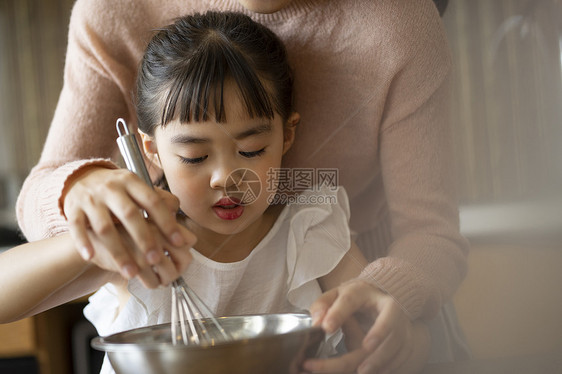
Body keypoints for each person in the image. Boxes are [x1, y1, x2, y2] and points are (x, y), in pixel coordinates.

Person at [16, 0, 471, 372]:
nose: (225, 177)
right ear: (150, 150)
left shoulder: (310, 229)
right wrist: (88, 215)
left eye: (251, 150)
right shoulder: (142, 244)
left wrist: (403, 333)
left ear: (286, 135)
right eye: (194, 156)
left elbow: (425, 245)